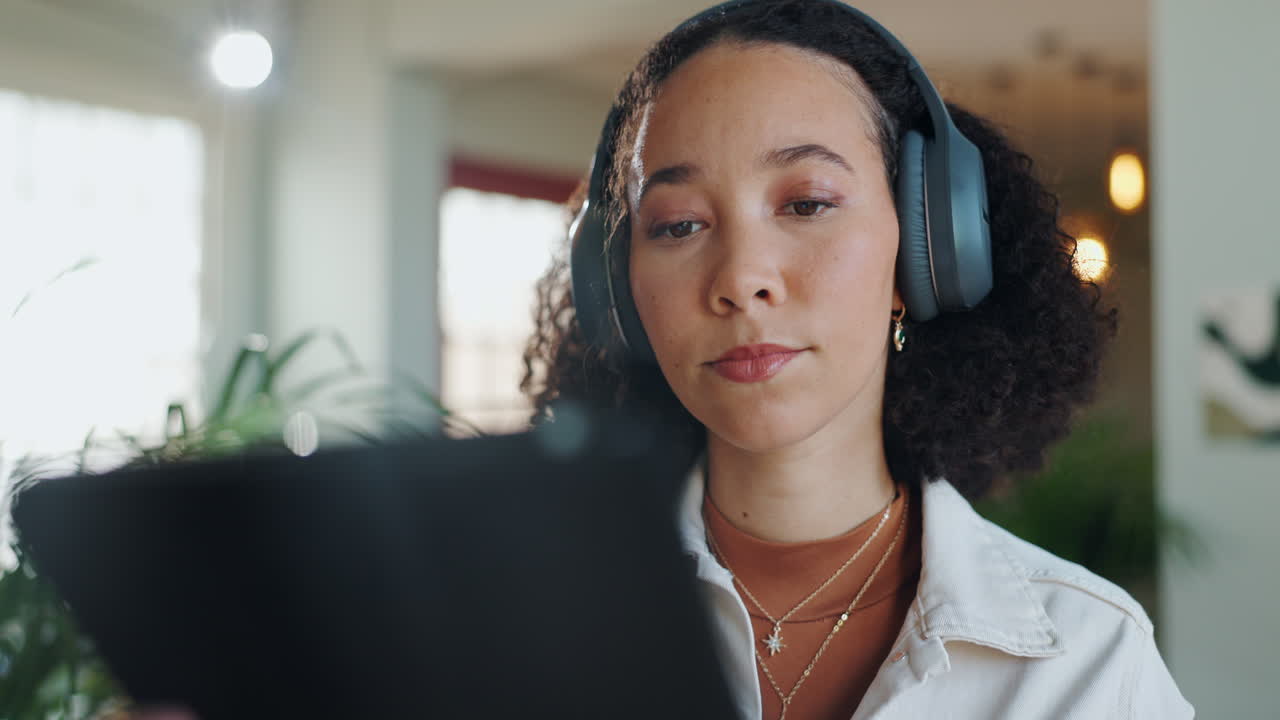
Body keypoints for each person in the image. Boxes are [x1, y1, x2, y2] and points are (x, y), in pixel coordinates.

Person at [520, 0, 1194, 718]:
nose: (741, 279)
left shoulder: (1093, 665)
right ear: (616, 292)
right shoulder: (522, 627)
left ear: (926, 251)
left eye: (806, 204)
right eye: (679, 224)